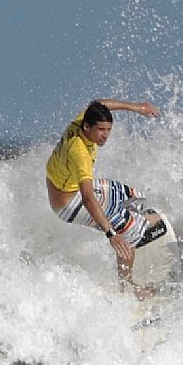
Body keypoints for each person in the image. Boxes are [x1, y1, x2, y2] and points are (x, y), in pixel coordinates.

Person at [45, 98, 160, 299]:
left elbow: (99, 103)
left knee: (133, 195)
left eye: (108, 129)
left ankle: (135, 221)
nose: (105, 136)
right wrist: (111, 234)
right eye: (101, 130)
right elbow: (89, 200)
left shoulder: (82, 120)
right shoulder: (79, 154)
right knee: (123, 237)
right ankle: (128, 288)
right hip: (68, 204)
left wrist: (138, 108)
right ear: (87, 127)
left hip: (68, 187)